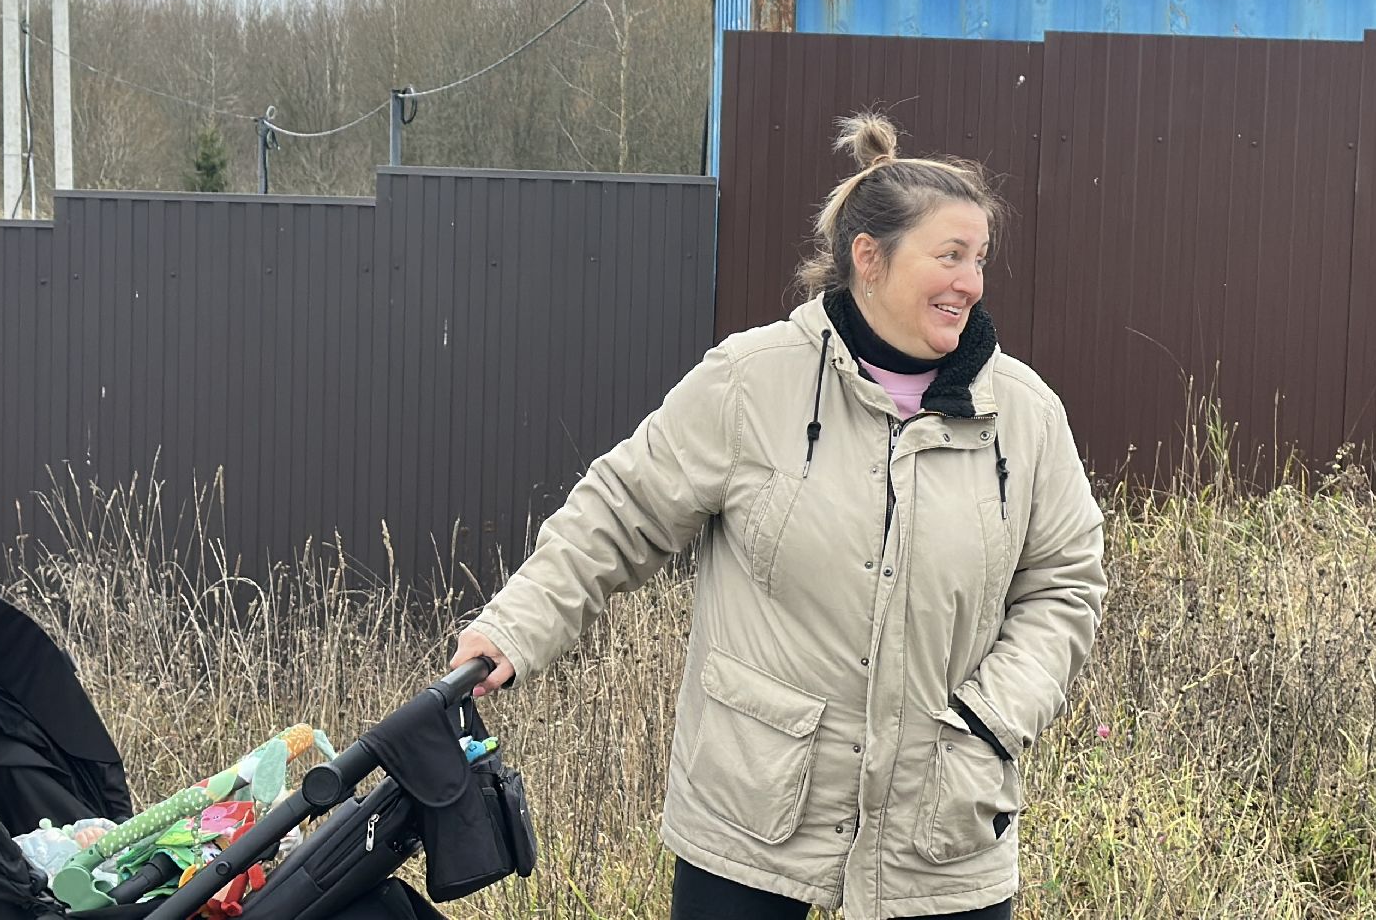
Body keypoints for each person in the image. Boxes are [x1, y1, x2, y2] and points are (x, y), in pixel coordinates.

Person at [450, 112, 1107, 919]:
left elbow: (1066, 586)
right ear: (869, 259)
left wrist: (990, 718)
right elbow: (620, 512)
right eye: (949, 256)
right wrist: (512, 628)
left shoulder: (1027, 416)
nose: (971, 281)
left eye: (978, 259)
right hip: (754, 819)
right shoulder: (752, 382)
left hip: (945, 824)